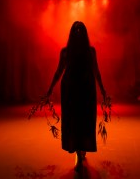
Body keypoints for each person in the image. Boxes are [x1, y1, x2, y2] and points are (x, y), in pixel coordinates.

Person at [46, 21, 106, 172]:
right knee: (74, 120)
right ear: (73, 33)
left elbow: (96, 70)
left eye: (80, 30)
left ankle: (82, 148)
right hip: (71, 90)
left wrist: (103, 90)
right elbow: (59, 71)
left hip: (86, 89)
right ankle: (79, 150)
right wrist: (50, 88)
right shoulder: (66, 51)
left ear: (84, 33)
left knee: (85, 119)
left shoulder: (90, 51)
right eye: (76, 30)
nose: (78, 32)